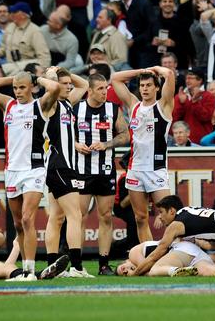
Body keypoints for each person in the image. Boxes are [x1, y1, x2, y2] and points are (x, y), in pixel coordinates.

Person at [0, 69, 60, 277]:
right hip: (12, 170)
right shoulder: (8, 105)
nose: (17, 91)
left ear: (31, 87)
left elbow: (55, 87)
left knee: (27, 219)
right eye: (15, 88)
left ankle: (31, 270)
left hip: (34, 170)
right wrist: (13, 78)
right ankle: (25, 269)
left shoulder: (39, 105)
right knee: (17, 224)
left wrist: (35, 78)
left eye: (22, 87)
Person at [111, 66, 176, 243]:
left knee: (170, 217)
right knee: (140, 218)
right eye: (142, 85)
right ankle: (147, 254)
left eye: (149, 85)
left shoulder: (163, 106)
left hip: (157, 170)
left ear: (157, 87)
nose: (145, 88)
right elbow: (115, 77)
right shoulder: (133, 105)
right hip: (135, 169)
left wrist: (155, 69)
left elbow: (169, 74)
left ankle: (174, 253)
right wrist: (141, 71)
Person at [74, 73, 129, 276]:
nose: (105, 92)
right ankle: (76, 264)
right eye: (100, 89)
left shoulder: (113, 109)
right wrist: (75, 144)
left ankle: (103, 264)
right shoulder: (77, 108)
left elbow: (125, 134)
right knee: (79, 216)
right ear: (89, 91)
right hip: (81, 170)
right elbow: (62, 133)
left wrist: (106, 144)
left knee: (105, 216)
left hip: (105, 170)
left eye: (106, 88)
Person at [129, 195, 215, 276]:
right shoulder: (187, 211)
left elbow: (156, 254)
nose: (160, 217)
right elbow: (209, 239)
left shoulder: (176, 225)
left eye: (161, 212)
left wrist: (136, 273)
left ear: (172, 211)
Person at [42, 67, 91, 278]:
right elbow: (51, 87)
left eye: (69, 83)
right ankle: (77, 268)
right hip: (59, 165)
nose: (69, 86)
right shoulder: (51, 104)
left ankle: (52, 266)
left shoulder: (68, 104)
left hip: (61, 167)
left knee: (56, 217)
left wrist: (66, 73)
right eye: (64, 84)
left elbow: (85, 85)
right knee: (75, 215)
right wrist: (51, 76)